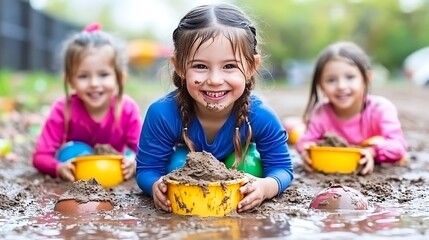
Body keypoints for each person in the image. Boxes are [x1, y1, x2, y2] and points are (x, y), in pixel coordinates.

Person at [135, 4, 294, 213]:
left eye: (229, 66)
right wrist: (156, 185)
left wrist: (266, 187)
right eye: (200, 66)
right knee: (177, 163)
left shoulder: (260, 115)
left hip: (239, 168)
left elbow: (283, 169)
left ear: (251, 67)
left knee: (249, 162)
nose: (215, 80)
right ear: (180, 67)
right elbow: (147, 169)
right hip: (184, 174)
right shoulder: (163, 114)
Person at [32, 23, 142, 182]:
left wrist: (135, 163)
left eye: (103, 74)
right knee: (75, 151)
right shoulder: (63, 109)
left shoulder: (126, 108)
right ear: (70, 80)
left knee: (131, 156)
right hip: (78, 173)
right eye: (83, 76)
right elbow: (40, 156)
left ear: (120, 77)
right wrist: (58, 168)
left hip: (113, 172)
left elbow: (145, 151)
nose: (94, 83)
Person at [296, 41, 407, 174]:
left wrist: (372, 152)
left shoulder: (380, 109)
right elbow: (305, 141)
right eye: (331, 80)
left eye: (350, 77)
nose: (341, 86)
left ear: (366, 78)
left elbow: (398, 146)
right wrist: (307, 150)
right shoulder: (321, 112)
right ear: (321, 85)